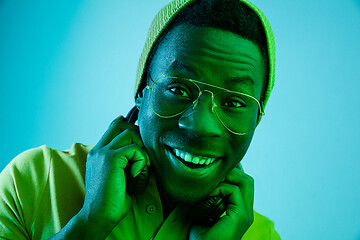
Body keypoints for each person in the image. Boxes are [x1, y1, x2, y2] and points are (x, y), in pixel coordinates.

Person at [0, 0, 281, 239]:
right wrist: (89, 224)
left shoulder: (262, 234)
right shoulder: (35, 179)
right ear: (140, 93)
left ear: (256, 120)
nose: (200, 126)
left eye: (234, 102)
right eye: (177, 90)